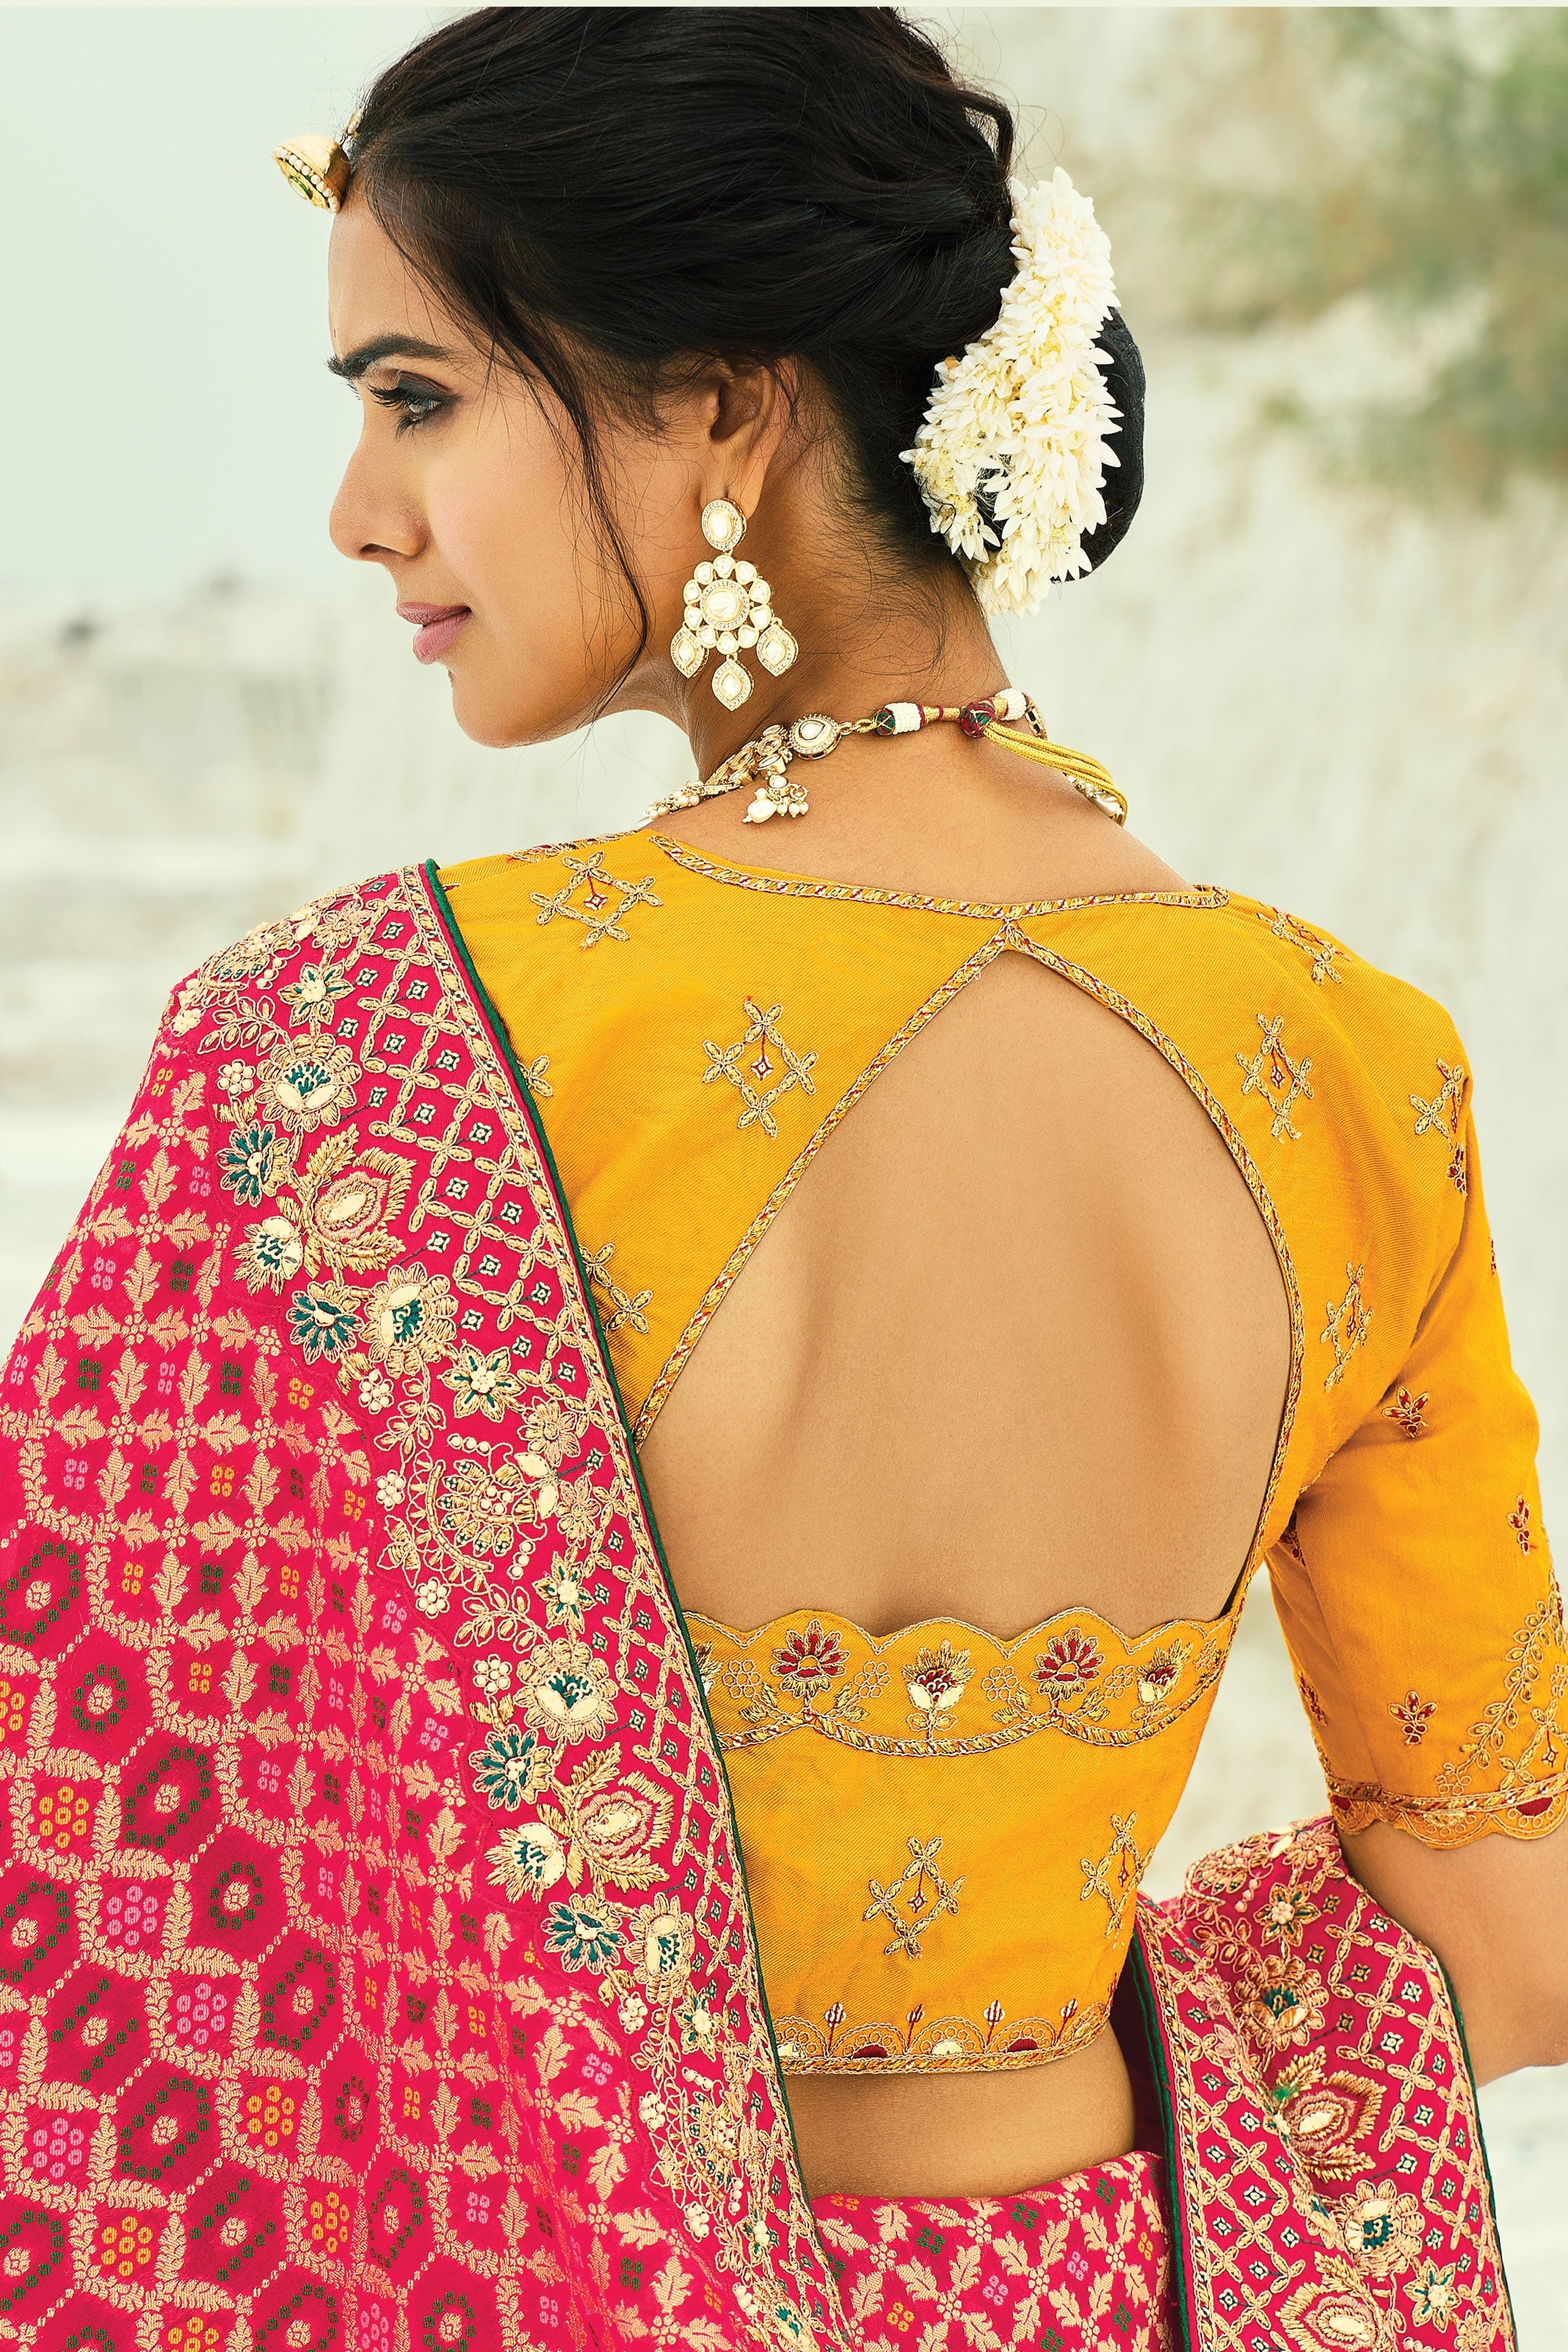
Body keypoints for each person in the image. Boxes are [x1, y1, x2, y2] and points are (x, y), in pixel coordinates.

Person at [2, 10, 1563, 2349]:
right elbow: (1506, 1938)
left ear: (725, 408)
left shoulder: (346, 1057)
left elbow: (92, 1912)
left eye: (418, 397)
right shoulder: (1357, 1066)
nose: (357, 509)